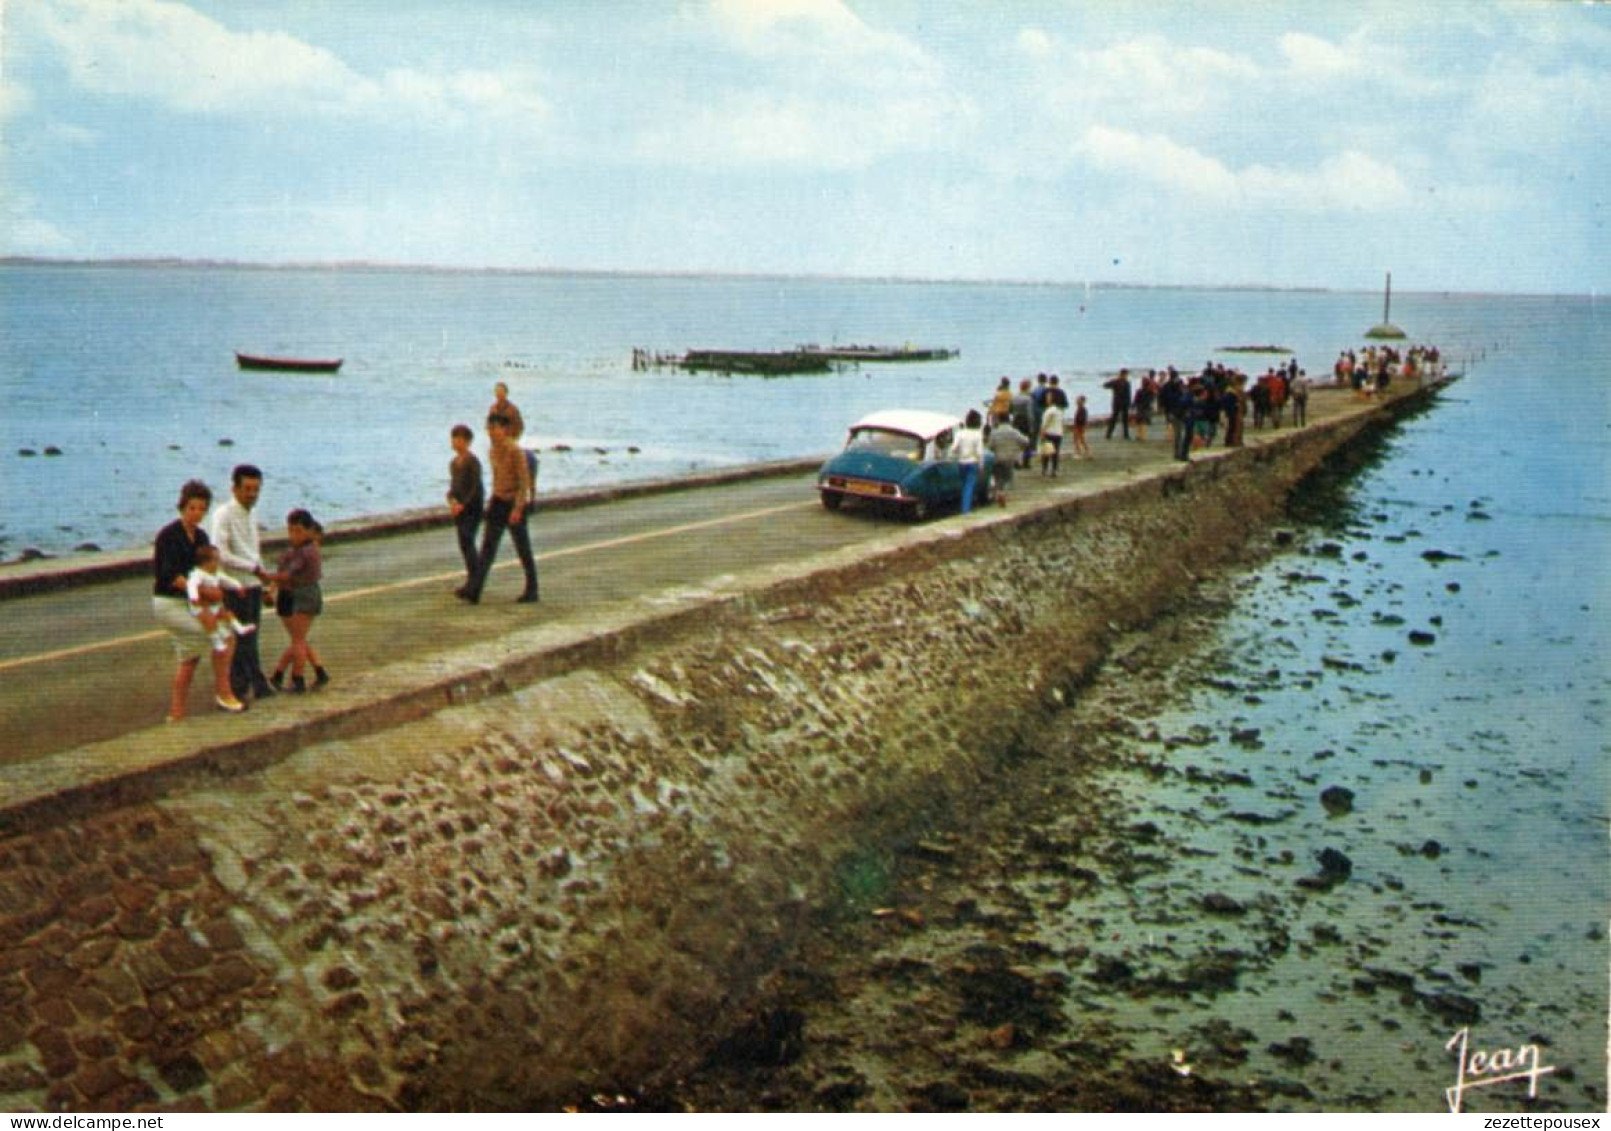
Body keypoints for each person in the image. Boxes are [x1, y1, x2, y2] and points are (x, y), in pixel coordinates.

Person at [151, 479, 243, 718]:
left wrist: (218, 595)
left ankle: (177, 713)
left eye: (202, 508)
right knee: (220, 636)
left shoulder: (201, 537)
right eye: (192, 507)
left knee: (190, 658)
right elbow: (171, 576)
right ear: (182, 506)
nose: (197, 513)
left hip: (193, 603)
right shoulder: (168, 535)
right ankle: (223, 692)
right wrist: (204, 593)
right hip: (168, 603)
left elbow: (209, 571)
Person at [208, 463, 275, 702]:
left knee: (250, 637)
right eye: (247, 489)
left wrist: (265, 582)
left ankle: (251, 684)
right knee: (237, 640)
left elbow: (254, 551)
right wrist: (254, 569)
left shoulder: (251, 514)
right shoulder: (222, 514)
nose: (253, 494)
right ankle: (241, 687)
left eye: (256, 489)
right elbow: (221, 554)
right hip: (233, 586)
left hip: (253, 585)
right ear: (234, 488)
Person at [463, 413, 538, 604]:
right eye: (489, 428)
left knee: (523, 548)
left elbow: (524, 482)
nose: (491, 432)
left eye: (494, 428)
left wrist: (518, 508)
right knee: (488, 548)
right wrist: (493, 499)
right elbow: (496, 477)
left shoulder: (515, 450)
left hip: (514, 501)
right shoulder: (492, 450)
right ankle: (474, 590)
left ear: (504, 429)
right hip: (498, 500)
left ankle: (532, 589)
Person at [268, 509, 328, 693]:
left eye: (298, 531)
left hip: (300, 595)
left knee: (298, 640)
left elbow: (288, 573)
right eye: (291, 531)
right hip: (302, 594)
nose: (293, 535)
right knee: (298, 639)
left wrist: (267, 579)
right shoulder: (306, 549)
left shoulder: (304, 552)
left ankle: (297, 678)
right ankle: (316, 671)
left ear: (310, 530)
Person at [187, 544, 254, 653]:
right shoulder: (197, 574)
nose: (218, 563)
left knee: (227, 613)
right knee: (210, 621)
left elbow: (227, 580)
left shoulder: (216, 573)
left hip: (215, 604)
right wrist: (193, 597)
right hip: (200, 607)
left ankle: (239, 628)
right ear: (206, 562)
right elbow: (192, 585)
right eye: (216, 560)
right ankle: (216, 641)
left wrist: (238, 586)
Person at [446, 424, 485, 597]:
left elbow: (476, 487)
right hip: (459, 508)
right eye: (454, 438)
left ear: (468, 442)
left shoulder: (472, 461)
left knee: (468, 541)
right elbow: (453, 487)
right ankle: (473, 581)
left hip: (472, 508)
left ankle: (475, 583)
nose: (455, 442)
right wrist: (452, 501)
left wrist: (464, 504)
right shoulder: (454, 463)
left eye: (459, 439)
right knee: (464, 544)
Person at [984, 412, 1029, 505]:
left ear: (999, 421)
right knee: (1008, 478)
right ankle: (1003, 494)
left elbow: (989, 447)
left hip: (998, 458)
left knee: (998, 478)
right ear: (1009, 420)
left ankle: (999, 493)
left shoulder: (994, 433)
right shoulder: (1014, 432)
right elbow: (1025, 441)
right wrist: (1019, 448)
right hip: (1010, 458)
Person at [954, 409, 985, 515]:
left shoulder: (960, 433)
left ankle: (964, 506)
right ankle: (966, 510)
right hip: (972, 462)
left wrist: (957, 454)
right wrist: (981, 465)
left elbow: (954, 448)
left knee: (964, 485)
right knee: (970, 485)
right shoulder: (977, 434)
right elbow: (980, 452)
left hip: (961, 462)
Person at [1104, 369, 1133, 440]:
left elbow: (1105, 385)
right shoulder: (1126, 383)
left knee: (1114, 418)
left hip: (1117, 402)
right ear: (1124, 374)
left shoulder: (1116, 381)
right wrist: (1130, 403)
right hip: (1123, 403)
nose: (1126, 376)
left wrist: (1112, 382)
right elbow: (1128, 395)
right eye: (1126, 375)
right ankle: (1125, 435)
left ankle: (1109, 434)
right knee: (1123, 419)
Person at [1039, 398, 1065, 477]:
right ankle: (1054, 470)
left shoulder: (1050, 411)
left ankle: (1045, 469)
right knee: (1055, 453)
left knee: (1046, 452)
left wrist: (1043, 431)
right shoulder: (1060, 411)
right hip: (1058, 433)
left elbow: (1048, 421)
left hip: (1049, 433)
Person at [1071, 395, 1092, 459]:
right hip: (1079, 426)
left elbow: (1081, 419)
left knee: (1078, 439)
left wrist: (1079, 425)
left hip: (1079, 426)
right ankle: (1085, 451)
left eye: (1078, 401)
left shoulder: (1082, 409)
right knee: (1079, 439)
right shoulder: (1081, 409)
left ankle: (1079, 452)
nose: (1076, 402)